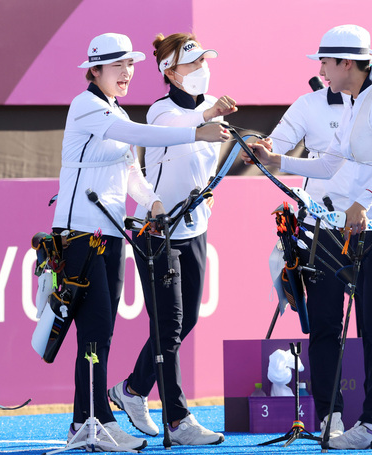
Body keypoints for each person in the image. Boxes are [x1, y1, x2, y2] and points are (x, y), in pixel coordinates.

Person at [244, 24, 372, 451]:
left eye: (325, 62)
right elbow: (328, 166)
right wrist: (276, 159)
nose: (321, 69)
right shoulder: (355, 105)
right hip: (365, 232)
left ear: (346, 63)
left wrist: (362, 202)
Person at [51, 32, 228, 452]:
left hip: (111, 233)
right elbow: (141, 136)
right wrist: (197, 132)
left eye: (130, 65)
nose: (127, 73)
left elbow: (131, 170)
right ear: (94, 71)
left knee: (101, 331)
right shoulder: (87, 106)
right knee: (93, 332)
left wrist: (153, 201)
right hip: (79, 233)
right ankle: (91, 419)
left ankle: (89, 419)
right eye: (117, 66)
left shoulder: (114, 108)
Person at [107, 33, 236, 446]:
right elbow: (179, 132)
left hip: (194, 228)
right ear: (169, 72)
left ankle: (131, 390)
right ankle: (177, 420)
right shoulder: (161, 113)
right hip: (156, 231)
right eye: (192, 65)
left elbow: (202, 166)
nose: (202, 71)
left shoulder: (211, 108)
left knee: (182, 322)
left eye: (204, 63)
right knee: (170, 323)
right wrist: (206, 117)